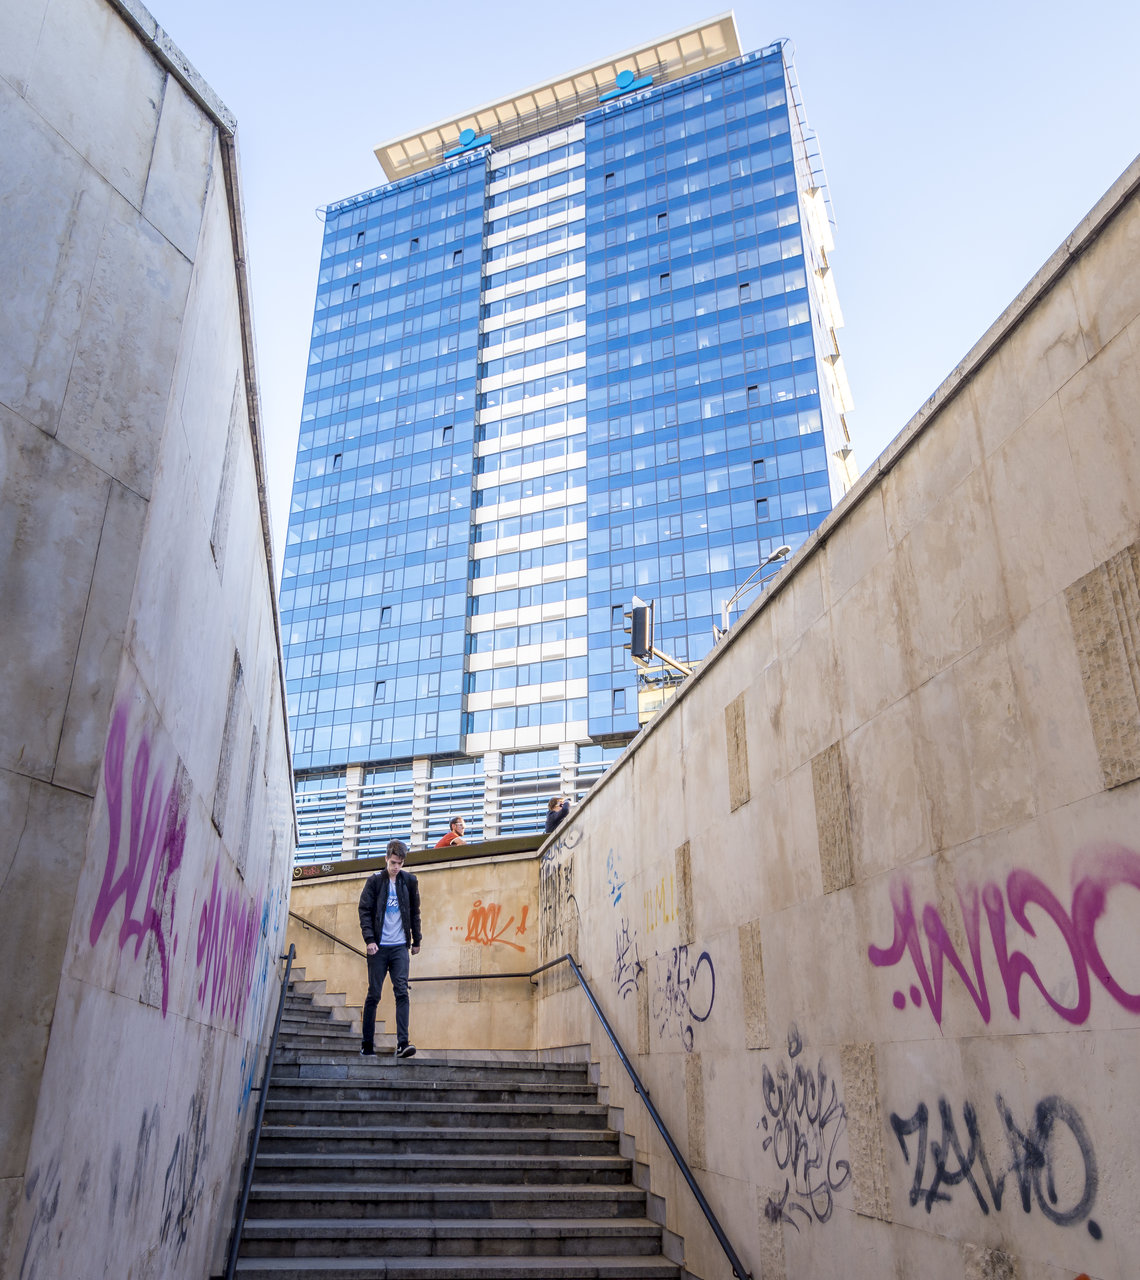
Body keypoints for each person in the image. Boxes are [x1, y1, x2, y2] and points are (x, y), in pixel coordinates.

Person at [358, 839, 421, 1059]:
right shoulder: (375, 881)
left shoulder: (409, 881)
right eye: (393, 862)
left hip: (399, 947)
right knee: (374, 994)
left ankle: (403, 1044)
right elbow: (364, 911)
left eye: (400, 863)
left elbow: (415, 912)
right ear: (386, 859)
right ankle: (367, 1044)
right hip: (378, 948)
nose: (396, 867)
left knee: (402, 992)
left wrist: (416, 940)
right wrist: (369, 940)